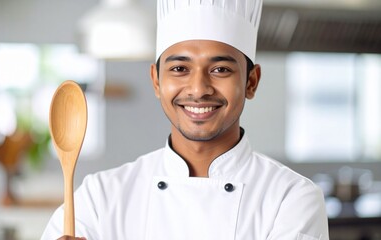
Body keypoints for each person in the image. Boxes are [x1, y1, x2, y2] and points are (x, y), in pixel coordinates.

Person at [42, 0, 329, 239]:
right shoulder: (99, 197)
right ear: (156, 81)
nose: (198, 89)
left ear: (251, 82)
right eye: (180, 68)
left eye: (220, 70)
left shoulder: (291, 199)